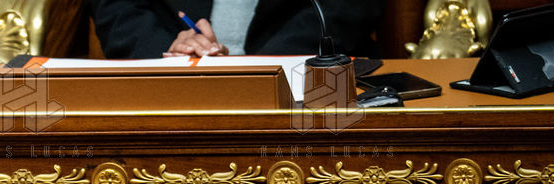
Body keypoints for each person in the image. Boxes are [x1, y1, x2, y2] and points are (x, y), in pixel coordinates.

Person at [90, 0, 384, 61]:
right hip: (164, 86)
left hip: (302, 80)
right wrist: (167, 53)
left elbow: (344, 7)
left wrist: (255, 72)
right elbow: (118, 7)